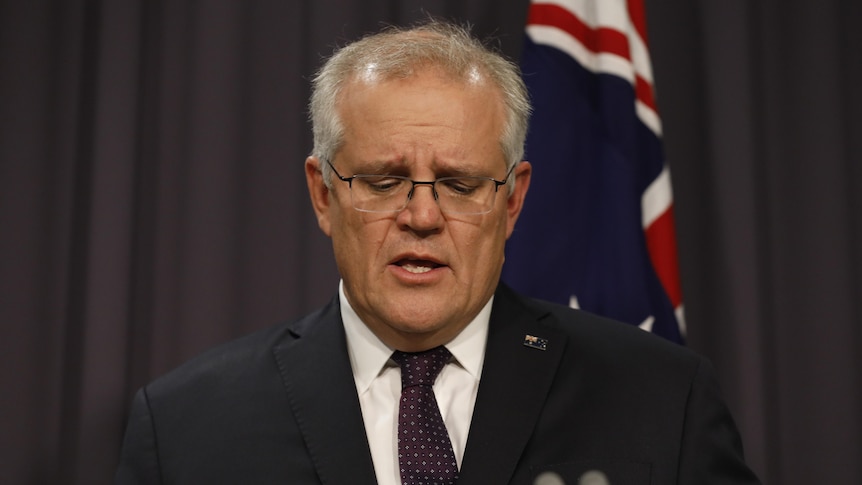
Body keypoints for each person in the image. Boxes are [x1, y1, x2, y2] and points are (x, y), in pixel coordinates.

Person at [115, 20, 760, 485]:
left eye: (458, 184)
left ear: (511, 201)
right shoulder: (185, 427)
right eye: (382, 180)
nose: (422, 216)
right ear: (321, 194)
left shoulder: (661, 399)